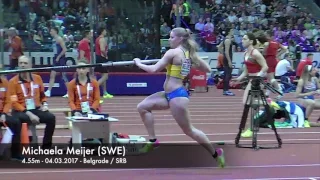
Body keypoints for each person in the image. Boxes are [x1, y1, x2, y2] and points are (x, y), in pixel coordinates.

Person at [133, 27, 225, 168]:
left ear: (180, 38)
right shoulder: (188, 54)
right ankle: (152, 141)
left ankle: (216, 153)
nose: (169, 40)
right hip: (170, 94)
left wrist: (138, 63)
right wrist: (193, 60)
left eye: (171, 37)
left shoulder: (173, 52)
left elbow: (153, 69)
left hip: (177, 96)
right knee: (142, 107)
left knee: (189, 130)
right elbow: (207, 68)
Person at [9, 56, 56, 149]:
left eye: (25, 63)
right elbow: (14, 103)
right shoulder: (12, 82)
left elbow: (43, 95)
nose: (22, 65)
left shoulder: (37, 78)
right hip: (20, 111)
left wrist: (45, 104)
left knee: (51, 118)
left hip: (35, 109)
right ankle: (17, 149)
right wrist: (29, 114)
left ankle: (46, 147)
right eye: (21, 63)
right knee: (17, 121)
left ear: (30, 65)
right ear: (18, 65)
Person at [232, 33, 268, 138]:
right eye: (242, 39)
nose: (242, 41)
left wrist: (258, 76)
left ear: (251, 41)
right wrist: (238, 79)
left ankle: (268, 103)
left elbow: (265, 67)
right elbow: (246, 71)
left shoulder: (255, 53)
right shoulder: (245, 54)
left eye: (244, 39)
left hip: (257, 81)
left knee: (248, 103)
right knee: (250, 105)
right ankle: (253, 128)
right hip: (250, 80)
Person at [256, 30, 287, 99]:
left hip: (268, 60)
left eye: (266, 35)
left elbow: (264, 53)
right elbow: (285, 49)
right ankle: (267, 92)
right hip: (274, 60)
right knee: (269, 77)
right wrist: (277, 55)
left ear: (269, 36)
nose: (265, 36)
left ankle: (280, 91)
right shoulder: (276, 43)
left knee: (271, 77)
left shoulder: (267, 43)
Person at [0, 72, 23, 160]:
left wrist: (4, 113)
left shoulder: (5, 83)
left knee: (16, 122)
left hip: (2, 113)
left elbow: (8, 101)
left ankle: (15, 153)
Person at [45, 27, 68, 98]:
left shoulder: (59, 39)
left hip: (60, 59)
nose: (50, 32)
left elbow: (64, 49)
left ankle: (69, 91)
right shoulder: (53, 40)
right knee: (52, 75)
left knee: (64, 76)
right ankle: (48, 91)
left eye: (51, 31)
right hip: (56, 58)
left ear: (55, 31)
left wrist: (58, 57)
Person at [95, 27, 113, 99]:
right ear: (102, 31)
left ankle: (105, 92)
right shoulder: (102, 39)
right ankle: (94, 87)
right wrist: (106, 56)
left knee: (103, 76)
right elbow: (102, 49)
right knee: (106, 76)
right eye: (105, 30)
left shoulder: (97, 39)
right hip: (102, 58)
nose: (106, 32)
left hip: (98, 57)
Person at [218, 30, 235, 96]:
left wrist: (222, 52)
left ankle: (225, 90)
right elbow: (227, 52)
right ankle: (226, 90)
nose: (233, 32)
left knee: (226, 74)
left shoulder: (226, 39)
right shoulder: (228, 40)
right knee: (227, 74)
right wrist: (229, 61)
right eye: (232, 31)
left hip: (226, 57)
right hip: (228, 58)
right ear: (229, 32)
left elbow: (219, 47)